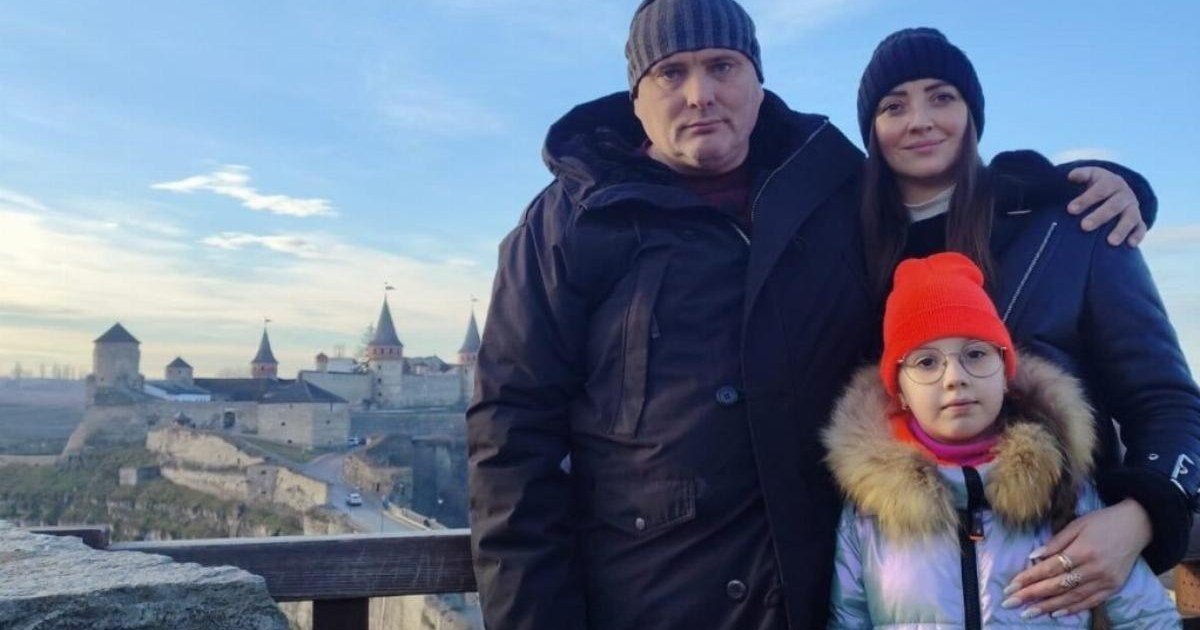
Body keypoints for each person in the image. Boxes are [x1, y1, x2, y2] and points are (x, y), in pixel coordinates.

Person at [467, 2, 1155, 628]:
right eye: (671, 72)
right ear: (636, 98)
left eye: (722, 66)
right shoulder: (566, 224)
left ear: (757, 81)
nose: (700, 93)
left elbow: (939, 215)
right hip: (650, 599)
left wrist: (1093, 191)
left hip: (817, 593)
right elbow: (512, 436)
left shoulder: (828, 186)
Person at [854, 27, 1200, 620]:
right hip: (907, 594)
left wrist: (1141, 516)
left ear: (972, 113)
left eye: (942, 97)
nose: (920, 121)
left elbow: (1168, 401)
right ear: (871, 129)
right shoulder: (843, 252)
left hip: (1059, 587)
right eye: (894, 106)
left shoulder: (1074, 227)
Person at [824, 252, 1180, 629]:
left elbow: (1147, 616)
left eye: (976, 354)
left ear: (1005, 372)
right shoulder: (867, 514)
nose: (954, 377)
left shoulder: (1066, 488)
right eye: (926, 362)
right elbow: (847, 620)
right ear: (899, 391)